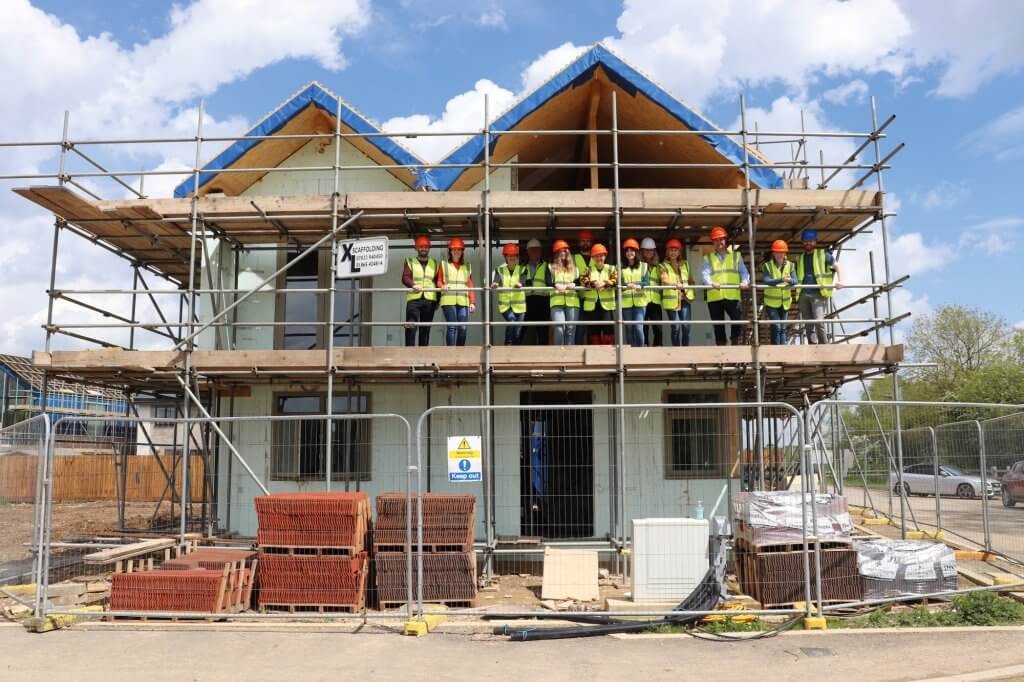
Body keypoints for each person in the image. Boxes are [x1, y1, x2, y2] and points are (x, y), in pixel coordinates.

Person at [701, 226, 750, 346]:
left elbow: (744, 272)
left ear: (725, 240)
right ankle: (722, 351)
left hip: (732, 295)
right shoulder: (708, 258)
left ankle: (734, 345)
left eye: (721, 239)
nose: (719, 242)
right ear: (713, 242)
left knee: (737, 321)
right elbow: (704, 274)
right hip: (715, 297)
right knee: (718, 325)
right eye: (716, 240)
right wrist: (711, 283)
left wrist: (745, 281)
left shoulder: (736, 256)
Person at [795, 228, 841, 344]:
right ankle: (812, 346)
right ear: (803, 242)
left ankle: (824, 346)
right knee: (808, 323)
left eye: (810, 241)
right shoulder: (799, 258)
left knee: (819, 321)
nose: (808, 243)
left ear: (815, 242)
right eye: (806, 241)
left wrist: (841, 281)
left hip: (818, 293)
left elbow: (836, 265)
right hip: (803, 293)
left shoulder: (823, 254)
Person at [437, 237, 475, 346]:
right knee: (452, 326)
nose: (457, 252)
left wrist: (472, 302)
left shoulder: (467, 266)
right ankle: (451, 353)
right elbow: (439, 281)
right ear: (450, 251)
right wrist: (442, 286)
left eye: (459, 249)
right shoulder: (444, 265)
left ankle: (460, 352)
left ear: (462, 251)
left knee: (463, 328)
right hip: (448, 301)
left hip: (463, 301)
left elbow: (470, 285)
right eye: (454, 249)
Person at [401, 235, 438, 346]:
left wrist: (438, 301)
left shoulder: (435, 263)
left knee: (425, 329)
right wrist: (413, 284)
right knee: (411, 327)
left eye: (426, 247)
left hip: (430, 300)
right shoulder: (410, 261)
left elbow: (437, 282)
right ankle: (410, 353)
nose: (423, 249)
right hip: (414, 300)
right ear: (416, 248)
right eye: (421, 246)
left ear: (429, 248)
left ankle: (423, 353)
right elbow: (405, 277)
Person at [659, 238, 694, 346]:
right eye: (671, 250)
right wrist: (675, 285)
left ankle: (684, 350)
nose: (673, 252)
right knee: (676, 327)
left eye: (675, 250)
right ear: (667, 252)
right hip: (672, 301)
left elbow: (691, 280)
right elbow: (664, 280)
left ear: (679, 252)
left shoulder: (685, 264)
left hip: (685, 299)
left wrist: (690, 289)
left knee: (686, 327)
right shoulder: (662, 266)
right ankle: (676, 351)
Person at [579, 243, 616, 344]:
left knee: (608, 331)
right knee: (593, 332)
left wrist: (605, 283)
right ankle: (595, 354)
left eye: (601, 255)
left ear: (605, 256)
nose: (599, 258)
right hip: (592, 307)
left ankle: (609, 355)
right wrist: (594, 284)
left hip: (607, 306)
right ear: (593, 258)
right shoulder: (588, 269)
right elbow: (582, 280)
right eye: (597, 256)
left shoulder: (611, 269)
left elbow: (616, 280)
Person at [491, 243, 527, 345]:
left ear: (516, 257)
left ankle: (516, 351)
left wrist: (520, 283)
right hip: (505, 306)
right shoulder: (500, 270)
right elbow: (496, 280)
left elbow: (523, 280)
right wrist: (495, 284)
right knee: (511, 320)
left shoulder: (522, 269)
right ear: (505, 257)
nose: (511, 257)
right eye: (509, 255)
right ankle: (507, 345)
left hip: (520, 306)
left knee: (517, 332)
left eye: (513, 255)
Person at [761, 240, 795, 345]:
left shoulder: (791, 265)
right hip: (771, 303)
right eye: (777, 252)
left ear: (785, 253)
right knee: (776, 327)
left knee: (782, 329)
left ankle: (782, 355)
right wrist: (782, 279)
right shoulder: (767, 266)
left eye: (782, 252)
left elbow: (795, 281)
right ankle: (776, 353)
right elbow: (767, 281)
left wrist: (790, 280)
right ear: (773, 253)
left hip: (785, 302)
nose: (780, 254)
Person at [547, 240, 580, 345]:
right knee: (559, 328)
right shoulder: (550, 267)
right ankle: (559, 355)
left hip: (573, 302)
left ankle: (569, 356)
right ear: (556, 253)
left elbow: (579, 281)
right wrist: (556, 285)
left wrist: (575, 284)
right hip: (557, 303)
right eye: (560, 251)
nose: (563, 253)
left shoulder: (575, 269)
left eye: (565, 251)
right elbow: (547, 281)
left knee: (570, 330)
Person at [619, 238, 649, 347]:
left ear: (636, 252)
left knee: (638, 327)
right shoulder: (620, 267)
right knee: (629, 327)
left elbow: (647, 282)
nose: (629, 253)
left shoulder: (644, 266)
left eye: (632, 250)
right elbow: (619, 283)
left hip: (640, 302)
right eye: (627, 251)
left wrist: (639, 285)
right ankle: (630, 351)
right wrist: (627, 285)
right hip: (626, 303)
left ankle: (639, 350)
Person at [523, 239, 550, 345]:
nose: (534, 252)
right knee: (521, 329)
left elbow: (550, 283)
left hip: (542, 301)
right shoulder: (523, 267)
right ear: (528, 252)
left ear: (541, 251)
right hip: (527, 301)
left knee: (542, 330)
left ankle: (543, 355)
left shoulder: (547, 266)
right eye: (532, 250)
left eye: (537, 250)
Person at [640, 237, 663, 346]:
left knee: (658, 328)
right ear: (642, 251)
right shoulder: (639, 266)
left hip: (655, 301)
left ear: (654, 251)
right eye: (646, 250)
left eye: (651, 250)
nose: (649, 252)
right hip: (643, 300)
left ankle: (658, 347)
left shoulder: (659, 267)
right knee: (644, 328)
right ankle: (645, 348)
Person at [574, 230, 596, 344]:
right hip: (579, 297)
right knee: (580, 328)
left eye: (588, 241)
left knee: (593, 328)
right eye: (583, 241)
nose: (585, 243)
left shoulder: (596, 256)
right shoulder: (574, 258)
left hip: (594, 298)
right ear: (579, 243)